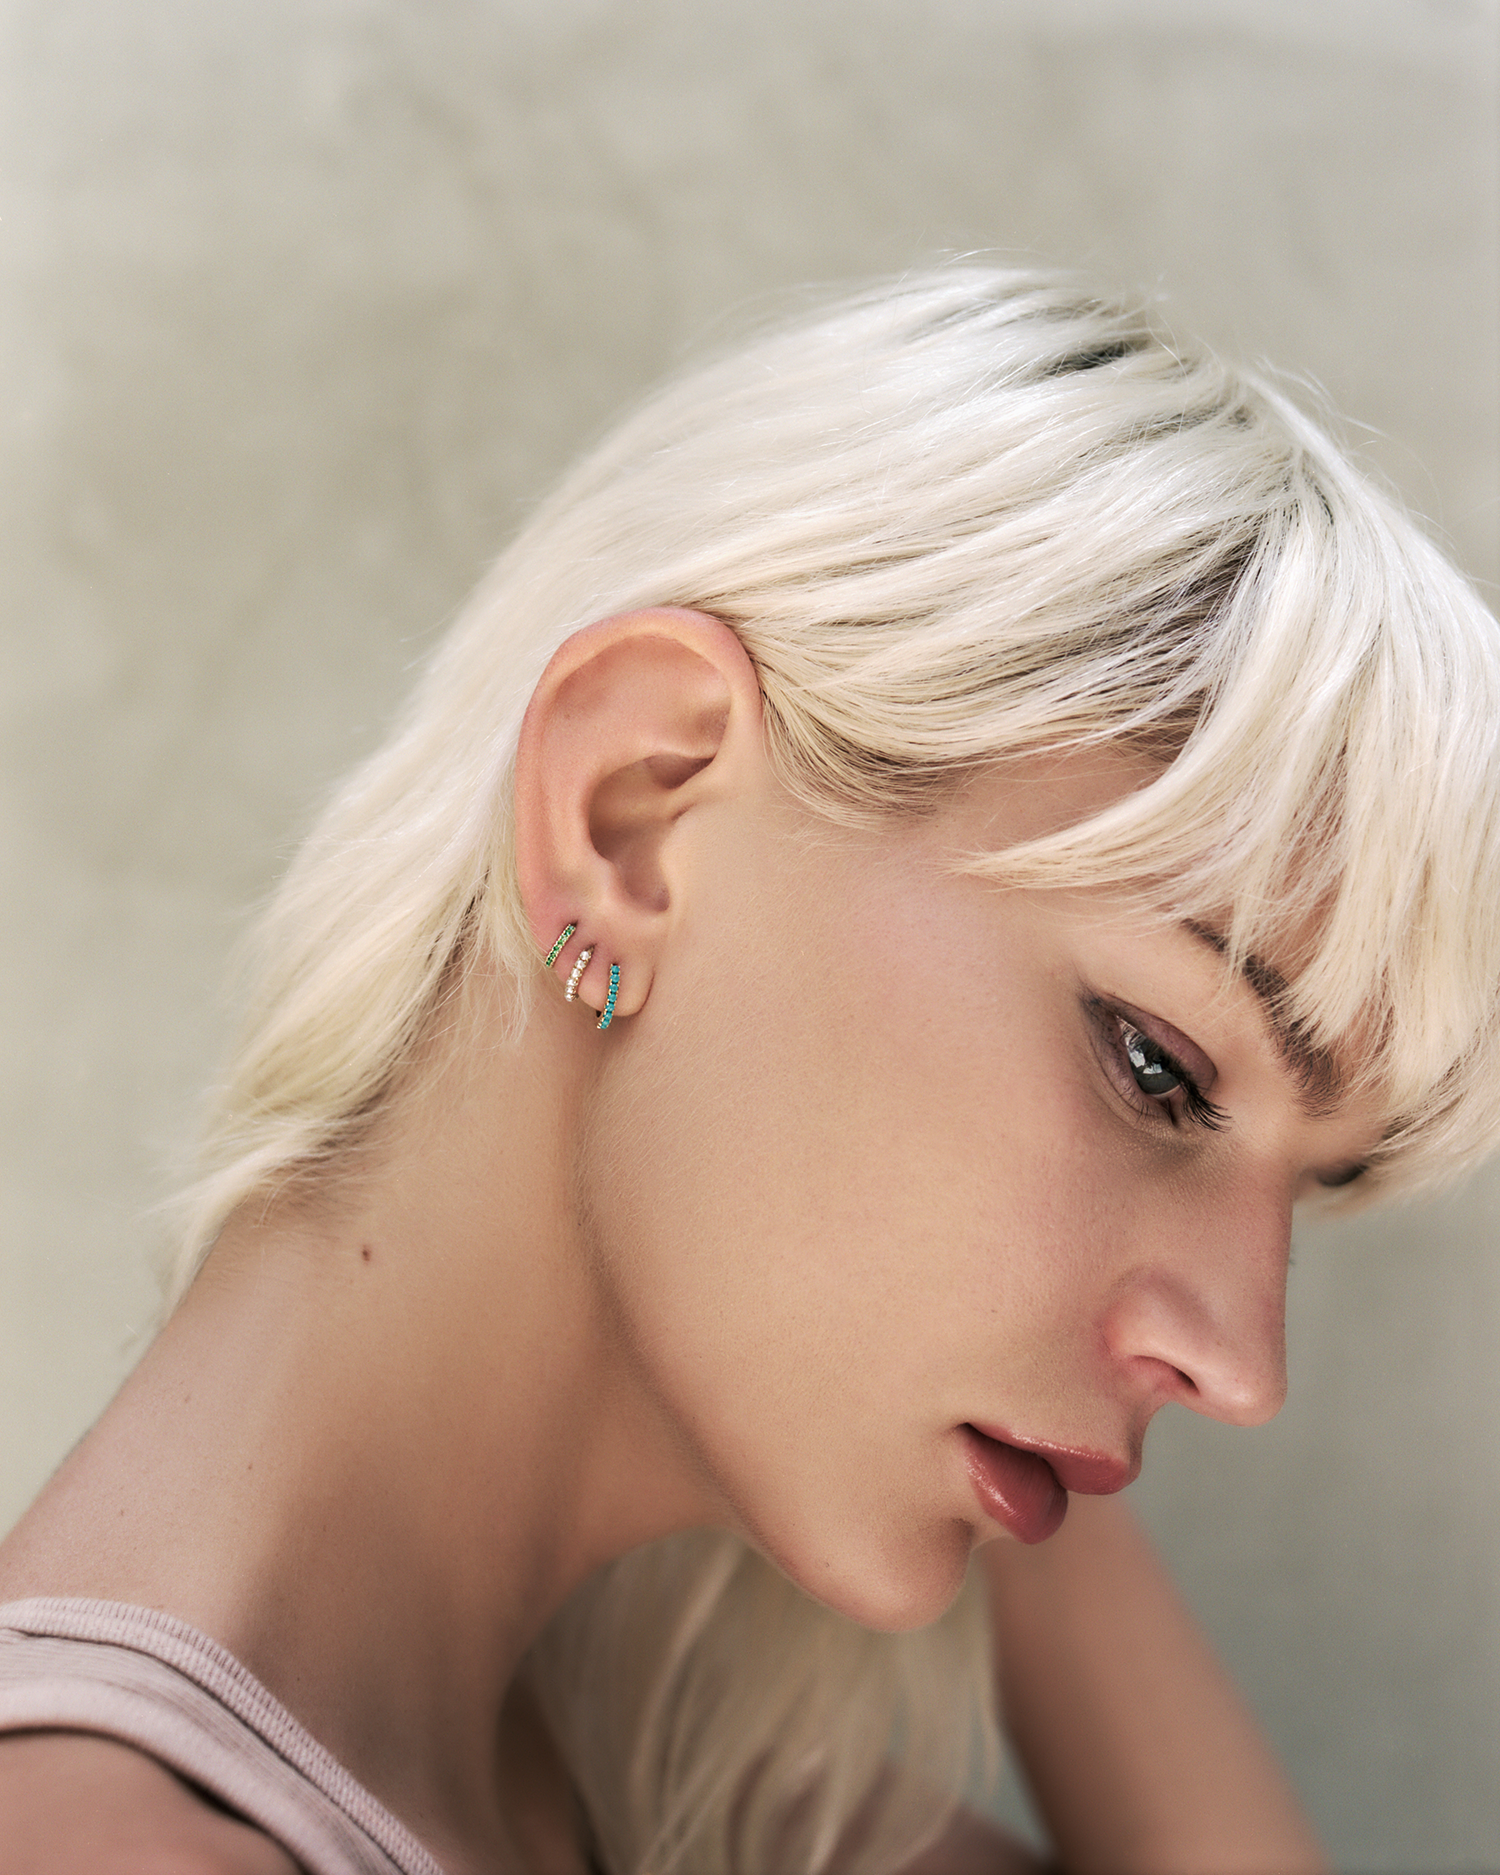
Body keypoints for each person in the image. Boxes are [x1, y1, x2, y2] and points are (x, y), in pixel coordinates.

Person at [2, 267, 1498, 1875]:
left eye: (1307, 1188)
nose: (1247, 1365)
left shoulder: (648, 1797)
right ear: (634, 813)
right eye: (1158, 1065)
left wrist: (1036, 1375)